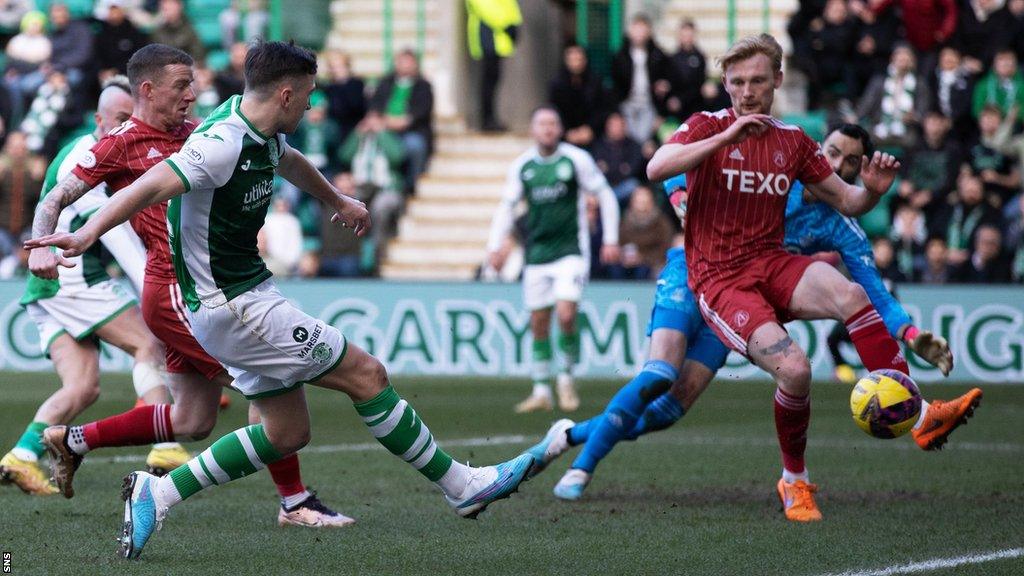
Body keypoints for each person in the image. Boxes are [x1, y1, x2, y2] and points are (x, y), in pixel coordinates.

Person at [28, 40, 534, 559]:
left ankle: (155, 492)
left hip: (235, 296)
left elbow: (286, 159)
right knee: (368, 376)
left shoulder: (249, 123)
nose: (314, 106)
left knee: (282, 430)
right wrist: (86, 233)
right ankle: (460, 486)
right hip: (231, 303)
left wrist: (338, 199)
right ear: (288, 95)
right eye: (310, 95)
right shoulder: (217, 140)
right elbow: (152, 184)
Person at [646, 34, 981, 522]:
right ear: (724, 83)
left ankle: (922, 418)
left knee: (849, 292)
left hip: (770, 260)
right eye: (736, 82)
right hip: (720, 279)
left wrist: (872, 192)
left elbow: (846, 202)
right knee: (797, 371)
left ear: (778, 80)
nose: (746, 92)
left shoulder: (793, 142)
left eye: (758, 81)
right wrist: (723, 139)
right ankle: (795, 482)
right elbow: (656, 167)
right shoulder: (705, 125)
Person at [29, 44, 351, 529]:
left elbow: (279, 155)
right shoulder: (120, 143)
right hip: (183, 289)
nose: (192, 93)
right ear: (148, 89)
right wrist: (38, 246)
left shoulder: (199, 131)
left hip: (201, 284)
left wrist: (336, 198)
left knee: (193, 420)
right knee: (266, 384)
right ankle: (295, 501)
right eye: (181, 85)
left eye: (193, 82)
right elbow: (56, 194)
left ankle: (73, 440)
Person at [0, 78, 183, 496]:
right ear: (98, 119)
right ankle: (166, 444)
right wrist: (161, 301)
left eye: (130, 119)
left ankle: (21, 456)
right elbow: (122, 244)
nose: (125, 127)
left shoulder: (95, 149)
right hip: (70, 274)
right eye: (119, 119)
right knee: (148, 346)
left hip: (48, 284)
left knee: (83, 387)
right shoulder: (86, 159)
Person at [784, 124, 953, 373]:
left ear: (859, 170)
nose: (837, 166)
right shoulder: (778, 179)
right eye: (832, 152)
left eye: (850, 161)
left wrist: (910, 333)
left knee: (853, 296)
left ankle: (912, 404)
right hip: (723, 270)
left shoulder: (844, 229)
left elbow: (877, 295)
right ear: (817, 148)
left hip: (769, 288)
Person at [486, 106, 621, 413]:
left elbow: (606, 195)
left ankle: (566, 379)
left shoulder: (575, 159)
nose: (547, 129)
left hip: (571, 251)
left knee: (566, 315)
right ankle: (541, 389)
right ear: (533, 130)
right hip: (537, 254)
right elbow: (506, 208)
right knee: (538, 322)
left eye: (552, 123)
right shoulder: (523, 166)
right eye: (541, 124)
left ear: (560, 129)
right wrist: (495, 247)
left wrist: (611, 238)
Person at [369, 48, 434, 191]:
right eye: (402, 62)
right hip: (384, 129)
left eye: (408, 62)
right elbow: (375, 107)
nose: (405, 65)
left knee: (414, 145)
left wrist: (397, 122)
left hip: (411, 130)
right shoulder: (385, 83)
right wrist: (382, 121)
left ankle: (410, 185)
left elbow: (419, 113)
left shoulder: (423, 86)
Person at [466, 0, 521, 132]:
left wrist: (514, 23)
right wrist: (506, 24)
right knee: (489, 81)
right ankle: (487, 120)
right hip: (489, 36)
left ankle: (490, 119)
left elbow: (509, 5)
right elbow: (484, 6)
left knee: (493, 80)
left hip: (499, 37)